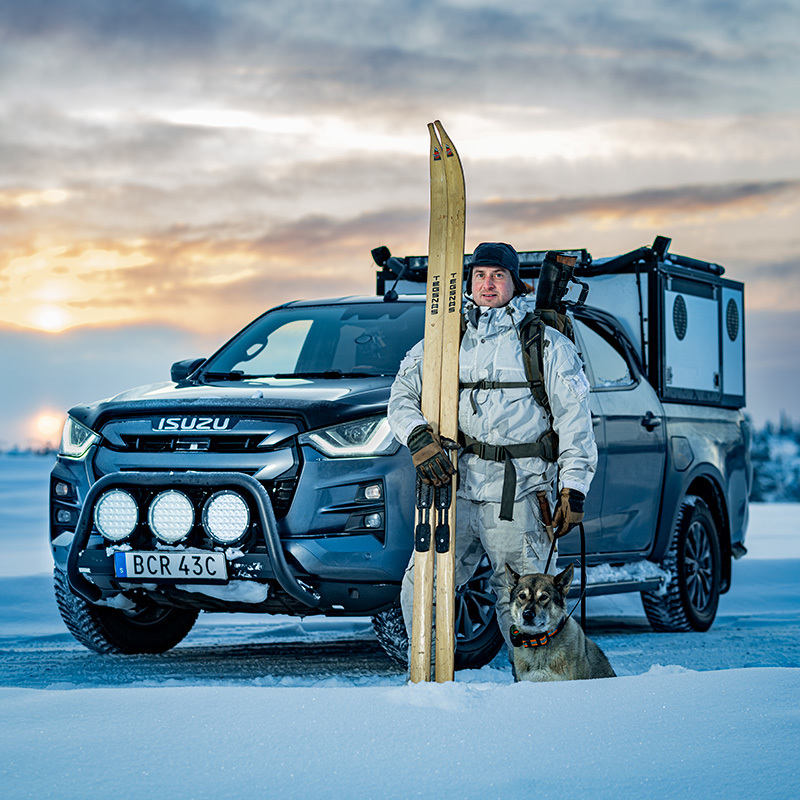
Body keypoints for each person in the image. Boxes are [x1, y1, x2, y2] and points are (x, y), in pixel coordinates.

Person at [387, 241, 597, 663]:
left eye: (498, 275)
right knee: (422, 584)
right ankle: (426, 680)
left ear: (514, 283)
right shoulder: (445, 339)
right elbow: (402, 395)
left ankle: (541, 689)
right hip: (455, 490)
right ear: (468, 282)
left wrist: (573, 490)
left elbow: (576, 421)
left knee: (519, 599)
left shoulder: (545, 343)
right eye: (480, 275)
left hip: (518, 493)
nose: (487, 284)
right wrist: (417, 438)